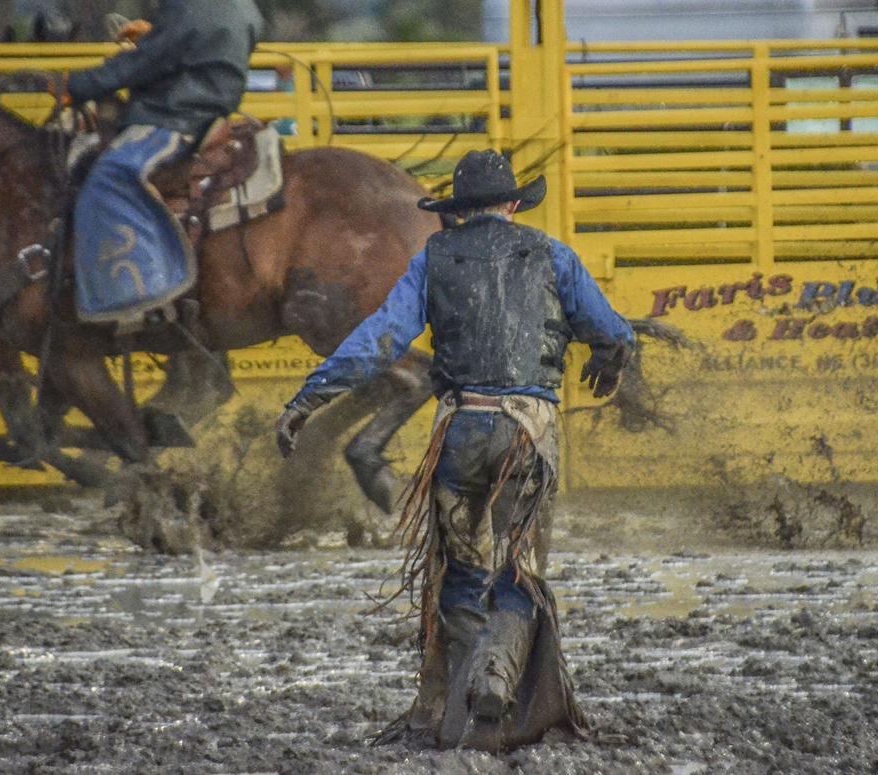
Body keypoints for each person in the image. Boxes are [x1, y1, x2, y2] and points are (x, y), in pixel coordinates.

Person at [276, 150, 635, 751]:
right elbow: (613, 330)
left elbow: (379, 338)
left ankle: (461, 716)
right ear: (515, 204)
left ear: (458, 213)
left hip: (462, 430)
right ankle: (498, 671)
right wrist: (607, 360)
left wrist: (307, 400)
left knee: (462, 576)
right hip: (528, 433)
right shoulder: (552, 254)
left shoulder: (434, 259)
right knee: (520, 565)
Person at [66, 0, 264, 326]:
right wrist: (162, 35)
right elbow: (200, 44)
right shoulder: (245, 7)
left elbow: (147, 61)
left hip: (175, 116)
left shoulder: (187, 8)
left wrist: (78, 85)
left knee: (109, 176)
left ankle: (139, 289)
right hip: (210, 109)